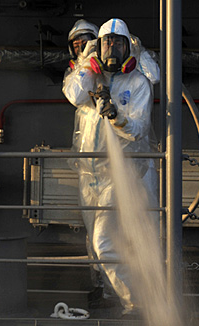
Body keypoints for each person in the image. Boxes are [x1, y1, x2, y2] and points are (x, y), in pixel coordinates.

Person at [62, 18, 157, 318]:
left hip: (121, 172)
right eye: (106, 42)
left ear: (129, 46)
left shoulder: (138, 83)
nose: (111, 48)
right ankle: (115, 293)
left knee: (104, 241)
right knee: (99, 241)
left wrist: (116, 114)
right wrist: (88, 64)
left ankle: (136, 303)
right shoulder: (93, 74)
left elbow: (138, 130)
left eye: (118, 42)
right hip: (90, 174)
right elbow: (74, 96)